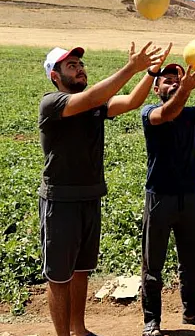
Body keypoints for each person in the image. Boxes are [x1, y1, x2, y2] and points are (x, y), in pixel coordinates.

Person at [38, 42, 169, 336]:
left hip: (90, 196)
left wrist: (151, 71)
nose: (80, 68)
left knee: (82, 270)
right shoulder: (52, 103)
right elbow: (93, 96)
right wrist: (131, 67)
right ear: (55, 76)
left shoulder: (94, 104)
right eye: (71, 65)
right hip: (61, 201)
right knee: (59, 276)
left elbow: (133, 101)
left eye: (80, 64)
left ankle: (79, 330)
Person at [140, 61, 195, 336]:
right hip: (159, 197)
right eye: (167, 80)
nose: (174, 82)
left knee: (191, 259)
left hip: (188, 196)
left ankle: (191, 310)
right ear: (156, 88)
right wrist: (185, 88)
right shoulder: (150, 112)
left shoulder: (188, 114)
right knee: (153, 263)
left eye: (178, 78)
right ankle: (152, 320)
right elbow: (168, 112)